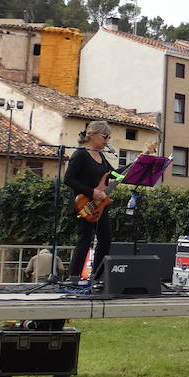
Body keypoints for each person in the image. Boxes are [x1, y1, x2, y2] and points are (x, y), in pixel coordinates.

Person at [64, 120, 116, 284]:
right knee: (85, 239)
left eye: (108, 137)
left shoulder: (101, 156)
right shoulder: (80, 154)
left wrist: (133, 167)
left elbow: (113, 175)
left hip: (100, 205)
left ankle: (97, 276)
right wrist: (91, 192)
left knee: (105, 239)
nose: (107, 140)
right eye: (105, 136)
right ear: (92, 135)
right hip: (83, 203)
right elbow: (68, 179)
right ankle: (74, 277)